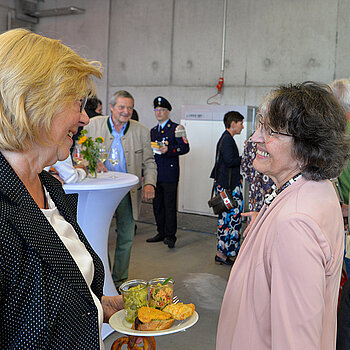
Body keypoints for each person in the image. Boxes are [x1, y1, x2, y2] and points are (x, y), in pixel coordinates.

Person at [0, 28, 124, 349]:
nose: (84, 117)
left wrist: (99, 306)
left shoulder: (52, 190)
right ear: (33, 101)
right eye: (77, 103)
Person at [216, 82, 350, 350]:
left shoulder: (295, 223)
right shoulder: (315, 188)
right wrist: (265, 229)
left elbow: (296, 341)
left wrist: (282, 230)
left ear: (306, 147)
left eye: (269, 130)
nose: (255, 138)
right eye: (258, 126)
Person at [84, 90, 157, 288]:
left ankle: (119, 281)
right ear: (112, 107)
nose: (126, 112)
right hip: (100, 191)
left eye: (130, 108)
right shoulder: (93, 125)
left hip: (127, 192)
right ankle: (103, 278)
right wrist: (89, 162)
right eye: (122, 107)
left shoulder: (141, 130)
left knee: (126, 236)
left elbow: (149, 162)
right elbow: (80, 152)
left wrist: (150, 182)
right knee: (99, 236)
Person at [146, 96, 190, 248]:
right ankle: (161, 231)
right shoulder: (152, 131)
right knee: (157, 205)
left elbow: (185, 148)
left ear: (168, 112)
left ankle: (171, 235)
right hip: (155, 174)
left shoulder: (177, 128)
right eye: (156, 110)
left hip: (170, 174)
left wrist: (169, 150)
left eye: (162, 110)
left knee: (169, 205)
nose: (158, 113)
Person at [210, 111, 244, 265]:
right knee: (229, 220)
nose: (242, 127)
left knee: (227, 220)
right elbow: (230, 161)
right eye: (240, 123)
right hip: (228, 188)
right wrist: (246, 158)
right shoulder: (227, 140)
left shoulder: (226, 139)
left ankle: (224, 253)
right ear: (233, 123)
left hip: (226, 186)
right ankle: (223, 254)